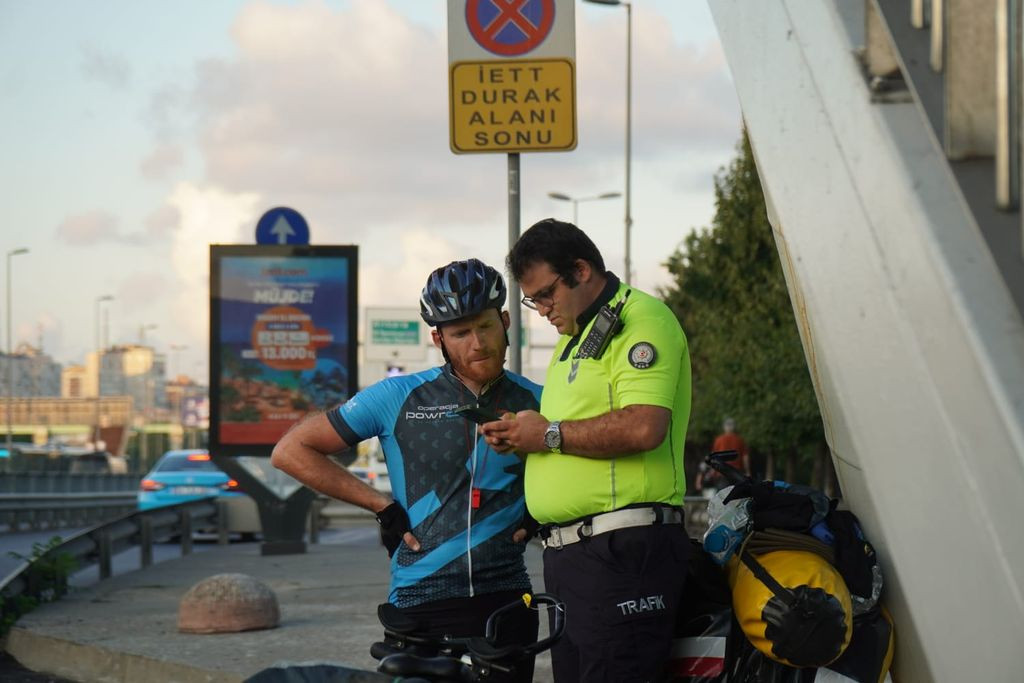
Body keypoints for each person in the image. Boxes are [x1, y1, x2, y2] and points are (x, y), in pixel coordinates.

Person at [271, 258, 542, 682]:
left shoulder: (540, 401)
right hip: (420, 602)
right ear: (438, 338)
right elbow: (292, 450)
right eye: (460, 332)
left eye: (486, 326)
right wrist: (380, 506)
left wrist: (543, 507)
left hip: (506, 600)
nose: (477, 343)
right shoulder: (399, 396)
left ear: (506, 320)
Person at [481, 219, 692, 682]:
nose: (540, 310)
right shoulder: (572, 341)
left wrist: (548, 435)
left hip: (621, 551)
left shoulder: (642, 320)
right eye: (530, 300)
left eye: (545, 294)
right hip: (573, 558)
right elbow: (567, 437)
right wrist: (523, 441)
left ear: (580, 270)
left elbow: (644, 427)